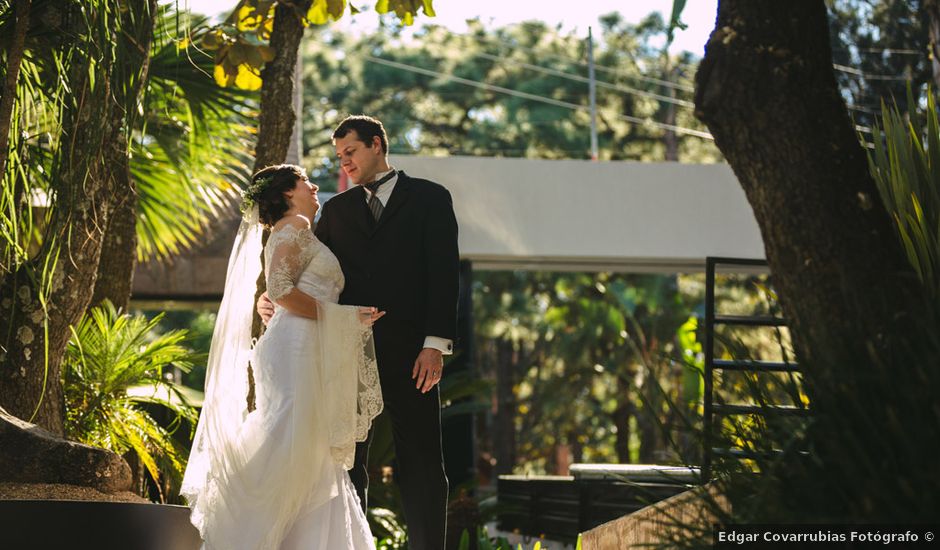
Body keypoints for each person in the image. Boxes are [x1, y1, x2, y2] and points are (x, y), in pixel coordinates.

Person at [258, 115, 459, 549]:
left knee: (422, 461)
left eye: (350, 152)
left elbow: (444, 276)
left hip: (412, 354)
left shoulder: (430, 198)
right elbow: (309, 272)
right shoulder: (335, 211)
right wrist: (272, 301)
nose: (344, 163)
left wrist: (434, 346)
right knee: (346, 463)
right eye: (338, 156)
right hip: (340, 353)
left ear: (377, 145)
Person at [181, 164, 386, 550]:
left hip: (302, 343)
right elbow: (279, 289)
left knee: (305, 445)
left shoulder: (292, 231)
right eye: (305, 182)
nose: (313, 186)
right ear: (288, 194)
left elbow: (280, 290)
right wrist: (346, 316)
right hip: (296, 347)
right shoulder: (295, 228)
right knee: (295, 442)